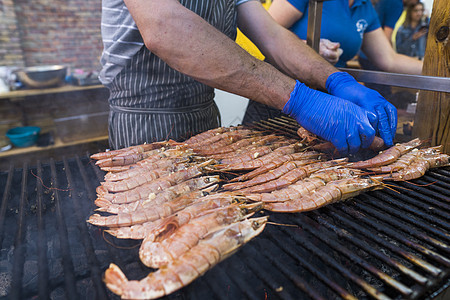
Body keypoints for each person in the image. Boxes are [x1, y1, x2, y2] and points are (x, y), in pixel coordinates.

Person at [99, 0, 397, 155]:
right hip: (143, 121)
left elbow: (272, 35)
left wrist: (336, 80)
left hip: (206, 119)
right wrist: (300, 100)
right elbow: (164, 28)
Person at [243, 0, 422, 130]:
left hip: (327, 102)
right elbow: (263, 33)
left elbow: (389, 58)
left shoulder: (365, 8)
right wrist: (309, 48)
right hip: (281, 94)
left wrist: (439, 72)